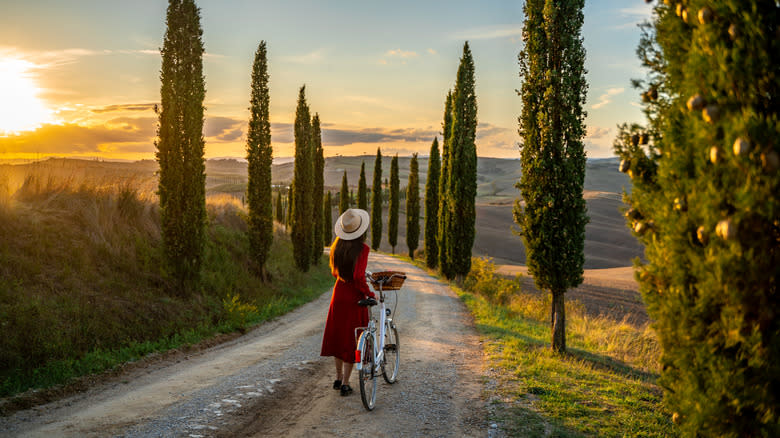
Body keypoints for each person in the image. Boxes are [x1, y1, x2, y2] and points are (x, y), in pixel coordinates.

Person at [320, 208, 375, 396]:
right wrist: (369, 294)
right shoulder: (362, 249)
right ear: (361, 230)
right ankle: (345, 383)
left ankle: (337, 378)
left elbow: (335, 272)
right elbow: (359, 277)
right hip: (354, 297)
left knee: (338, 337)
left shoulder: (337, 246)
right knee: (352, 339)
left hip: (339, 293)